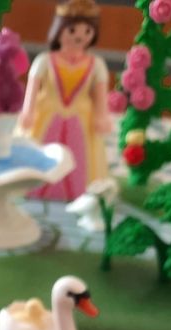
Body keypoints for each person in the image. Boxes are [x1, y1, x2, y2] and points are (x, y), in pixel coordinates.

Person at [20, 0, 111, 200]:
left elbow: (101, 96)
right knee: (41, 152)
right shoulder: (44, 61)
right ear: (59, 30)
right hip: (46, 115)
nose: (79, 36)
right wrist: (28, 112)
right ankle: (35, 187)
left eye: (87, 31)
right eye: (72, 30)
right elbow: (31, 90)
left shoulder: (96, 64)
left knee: (80, 155)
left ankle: (76, 191)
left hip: (81, 119)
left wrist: (102, 116)